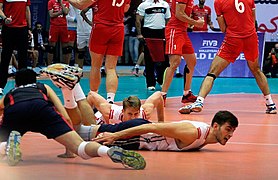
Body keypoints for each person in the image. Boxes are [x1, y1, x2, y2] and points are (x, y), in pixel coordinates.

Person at [0, 68, 146, 169]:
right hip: (41, 109)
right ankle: (107, 152)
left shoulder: (10, 93)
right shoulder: (42, 87)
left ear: (17, 83)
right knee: (80, 147)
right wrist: (69, 149)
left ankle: (7, 146)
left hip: (15, 110)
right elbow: (64, 115)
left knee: (3, 140)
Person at [179, 0, 277, 114]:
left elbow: (223, 29)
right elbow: (253, 20)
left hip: (233, 40)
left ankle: (199, 101)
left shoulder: (219, 2)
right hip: (251, 38)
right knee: (256, 70)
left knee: (212, 73)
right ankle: (271, 104)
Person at [68, 0, 130, 104]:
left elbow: (80, 5)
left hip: (101, 27)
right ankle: (110, 99)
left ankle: (94, 95)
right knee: (111, 67)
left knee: (96, 65)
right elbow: (125, 8)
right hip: (118, 27)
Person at [92, 110, 238, 151]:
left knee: (90, 131)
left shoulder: (209, 137)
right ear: (215, 126)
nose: (230, 135)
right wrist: (115, 136)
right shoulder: (193, 132)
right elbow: (153, 127)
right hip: (136, 135)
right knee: (87, 135)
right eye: (228, 129)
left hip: (140, 136)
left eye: (233, 131)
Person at [161, 0, 204, 104]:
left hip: (183, 31)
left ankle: (187, 94)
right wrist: (195, 23)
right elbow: (179, 14)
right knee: (175, 62)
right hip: (174, 31)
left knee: (192, 61)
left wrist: (189, 23)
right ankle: (162, 95)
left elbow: (181, 14)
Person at [136, 0, 171, 91]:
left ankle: (161, 79)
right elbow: (138, 20)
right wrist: (140, 34)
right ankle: (150, 83)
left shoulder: (165, 4)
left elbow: (168, 19)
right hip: (149, 32)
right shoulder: (144, 4)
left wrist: (166, 32)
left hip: (161, 32)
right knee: (149, 59)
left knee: (165, 59)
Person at [0, 0, 32, 95]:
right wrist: (5, 18)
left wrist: (29, 28)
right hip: (8, 28)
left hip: (22, 29)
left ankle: (22, 85)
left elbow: (27, 10)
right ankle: (1, 85)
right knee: (5, 57)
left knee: (23, 58)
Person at [87, 91, 165, 124]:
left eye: (136, 114)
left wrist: (161, 122)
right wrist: (87, 124)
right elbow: (91, 95)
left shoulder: (144, 113)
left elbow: (159, 95)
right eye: (130, 114)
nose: (133, 118)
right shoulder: (109, 113)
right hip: (100, 121)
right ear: (123, 111)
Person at [47, 0, 71, 65]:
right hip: (54, 26)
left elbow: (66, 12)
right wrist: (60, 12)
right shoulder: (51, 2)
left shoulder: (66, 2)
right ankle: (49, 65)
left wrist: (60, 3)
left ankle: (66, 66)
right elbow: (51, 15)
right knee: (51, 47)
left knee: (66, 48)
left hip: (63, 26)